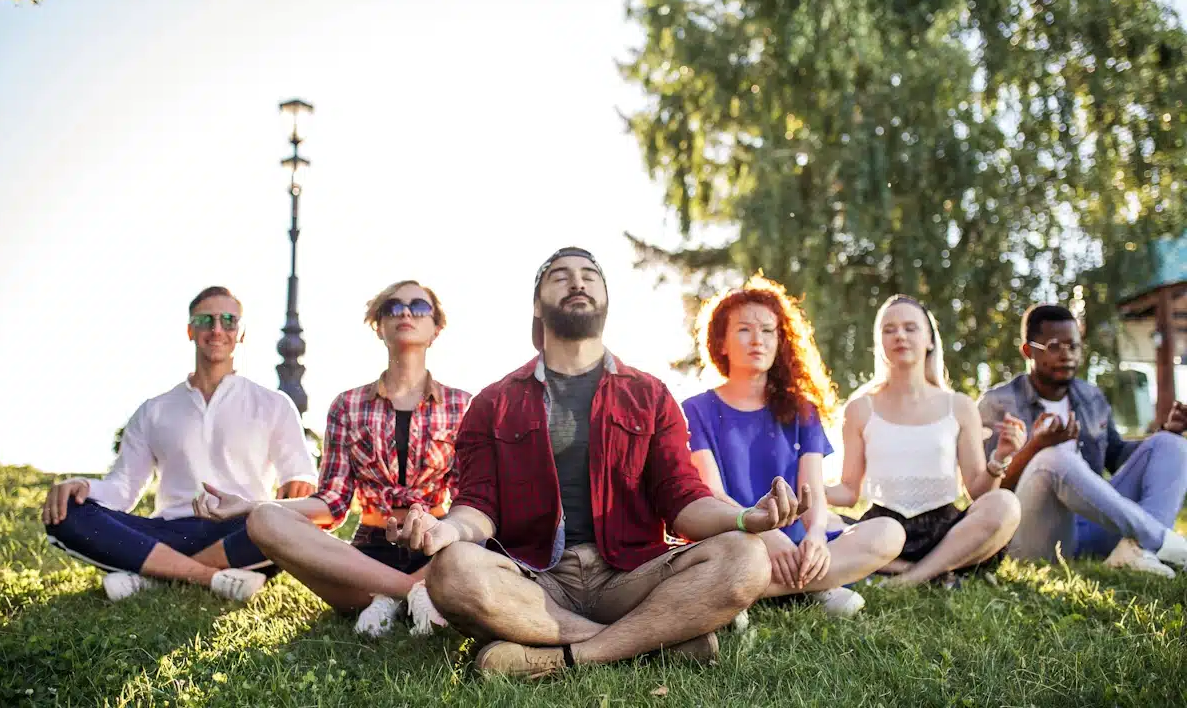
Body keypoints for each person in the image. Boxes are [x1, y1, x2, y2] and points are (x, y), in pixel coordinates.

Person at [396, 248, 802, 678]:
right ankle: (649, 642)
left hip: (629, 577)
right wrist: (447, 530)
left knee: (747, 558)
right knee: (450, 571)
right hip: (536, 582)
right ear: (537, 304)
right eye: (561, 277)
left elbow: (683, 501)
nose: (577, 283)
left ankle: (562, 656)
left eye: (590, 275)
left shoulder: (650, 394)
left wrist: (744, 519)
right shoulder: (493, 402)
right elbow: (478, 505)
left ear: (606, 299)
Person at [193, 280, 471, 635]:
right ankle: (411, 594)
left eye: (418, 307)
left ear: (436, 329)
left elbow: (467, 501)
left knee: (484, 529)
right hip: (365, 556)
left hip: (437, 545)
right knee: (264, 519)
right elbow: (333, 503)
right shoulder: (347, 405)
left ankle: (394, 597)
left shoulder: (462, 405)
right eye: (393, 307)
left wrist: (441, 534)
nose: (405, 312)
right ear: (379, 326)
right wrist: (250, 505)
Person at [42, 286, 317, 602]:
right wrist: (82, 486)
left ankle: (152, 575)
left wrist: (299, 485)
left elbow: (300, 479)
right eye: (206, 320)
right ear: (191, 330)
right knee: (68, 513)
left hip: (241, 532)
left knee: (289, 524)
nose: (217, 329)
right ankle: (208, 578)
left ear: (240, 333)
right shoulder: (155, 409)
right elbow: (122, 489)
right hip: (169, 532)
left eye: (228, 320)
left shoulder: (274, 404)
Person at [684, 276, 904, 616]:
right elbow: (711, 493)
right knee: (738, 553)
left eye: (768, 331)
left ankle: (748, 593)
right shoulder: (695, 409)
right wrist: (762, 531)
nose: (758, 340)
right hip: (737, 537)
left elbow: (811, 489)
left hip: (796, 545)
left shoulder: (802, 409)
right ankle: (814, 587)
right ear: (721, 343)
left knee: (888, 532)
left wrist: (815, 535)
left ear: (780, 341)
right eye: (744, 329)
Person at [827, 295, 1023, 586]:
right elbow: (848, 491)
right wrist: (806, 492)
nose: (900, 336)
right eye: (889, 329)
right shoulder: (859, 408)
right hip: (881, 529)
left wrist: (1001, 457)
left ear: (930, 339)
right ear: (879, 342)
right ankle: (930, 571)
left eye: (910, 327)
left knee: (1005, 505)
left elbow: (978, 492)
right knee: (822, 520)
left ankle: (909, 577)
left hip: (944, 532)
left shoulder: (959, 406)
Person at [979, 303, 1187, 575]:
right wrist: (1035, 447)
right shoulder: (996, 404)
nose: (1067, 355)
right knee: (1053, 458)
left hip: (1094, 526)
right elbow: (985, 493)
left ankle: (1140, 551)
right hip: (1036, 536)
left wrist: (1166, 432)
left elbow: (1118, 455)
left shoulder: (1090, 397)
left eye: (1074, 346)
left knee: (1170, 445)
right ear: (1028, 351)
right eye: (1055, 346)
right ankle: (1164, 543)